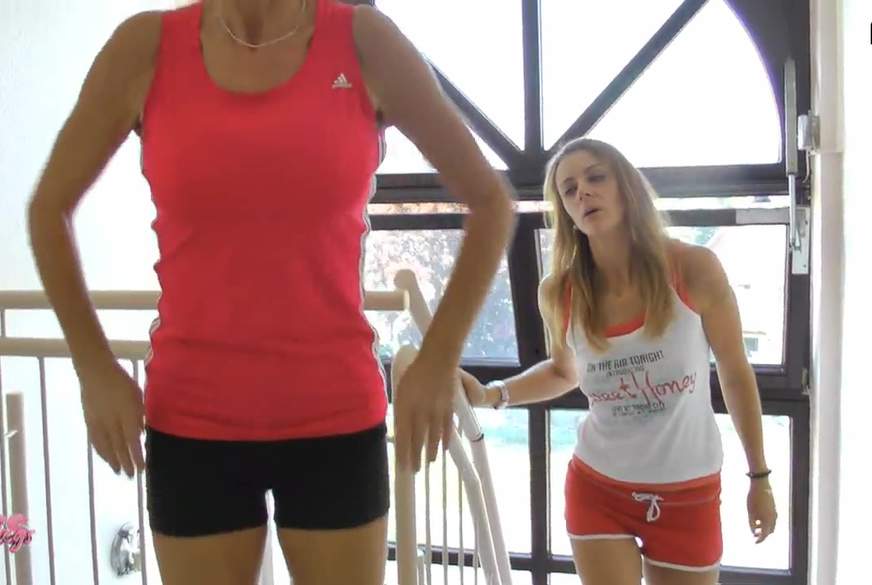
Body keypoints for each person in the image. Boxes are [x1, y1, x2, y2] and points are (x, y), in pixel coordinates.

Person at [26, 1, 515, 584]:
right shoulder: (145, 47)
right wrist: (94, 369)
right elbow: (48, 209)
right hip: (192, 421)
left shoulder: (364, 41)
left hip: (334, 418)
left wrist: (436, 362)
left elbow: (491, 203)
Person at [461, 138, 777, 585]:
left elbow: (735, 371)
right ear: (565, 211)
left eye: (595, 177)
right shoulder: (559, 292)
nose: (583, 193)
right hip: (598, 489)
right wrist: (492, 394)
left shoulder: (693, 269)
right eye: (569, 190)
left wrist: (759, 476)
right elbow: (562, 372)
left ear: (626, 187)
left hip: (688, 493)